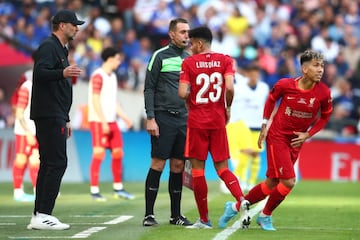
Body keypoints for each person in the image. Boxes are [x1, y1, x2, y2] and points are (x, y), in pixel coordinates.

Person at [219, 49, 333, 231]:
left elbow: (326, 116)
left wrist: (308, 134)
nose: (320, 70)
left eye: (322, 66)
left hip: (296, 141)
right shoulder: (285, 85)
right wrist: (265, 124)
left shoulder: (324, 93)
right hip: (278, 136)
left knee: (272, 182)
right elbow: (271, 100)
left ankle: (235, 206)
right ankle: (265, 215)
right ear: (304, 68)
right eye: (316, 65)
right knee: (288, 181)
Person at [178, 26, 250, 229]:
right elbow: (229, 87)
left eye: (192, 43)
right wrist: (227, 108)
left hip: (197, 122)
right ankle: (240, 198)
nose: (190, 47)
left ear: (199, 43)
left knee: (198, 171)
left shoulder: (189, 63)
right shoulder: (226, 60)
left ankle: (204, 220)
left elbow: (182, 93)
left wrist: (190, 97)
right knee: (223, 168)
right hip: (218, 121)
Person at [27, 9, 84, 230]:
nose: (77, 28)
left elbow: (58, 87)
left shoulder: (60, 49)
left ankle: (38, 214)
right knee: (57, 162)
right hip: (49, 114)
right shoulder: (49, 47)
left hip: (55, 114)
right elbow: (40, 73)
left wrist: (66, 117)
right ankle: (43, 214)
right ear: (62, 25)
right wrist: (63, 73)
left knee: (49, 163)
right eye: (74, 24)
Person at [143, 17, 192, 227]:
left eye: (188, 32)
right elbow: (149, 88)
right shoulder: (159, 56)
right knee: (158, 163)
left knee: (178, 165)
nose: (186, 36)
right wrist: (151, 117)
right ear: (172, 34)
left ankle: (176, 216)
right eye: (182, 32)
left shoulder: (189, 59)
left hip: (184, 119)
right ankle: (148, 215)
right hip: (162, 117)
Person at [88, 47, 134, 201]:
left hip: (112, 121)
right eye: (117, 58)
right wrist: (102, 121)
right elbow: (95, 100)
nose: (119, 62)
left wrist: (125, 117)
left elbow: (113, 102)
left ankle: (118, 188)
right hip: (98, 121)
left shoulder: (112, 77)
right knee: (99, 154)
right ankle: (94, 190)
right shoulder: (97, 76)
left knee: (118, 153)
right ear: (109, 59)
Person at [226, 63, 269, 192]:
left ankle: (251, 182)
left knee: (256, 155)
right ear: (247, 75)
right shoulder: (240, 88)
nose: (254, 77)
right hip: (244, 125)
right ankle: (237, 179)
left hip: (258, 125)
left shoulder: (264, 88)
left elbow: (266, 105)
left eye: (256, 74)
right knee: (245, 153)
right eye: (251, 74)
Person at [12, 69, 40, 202]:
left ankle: (37, 192)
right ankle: (17, 192)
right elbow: (19, 113)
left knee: (36, 161)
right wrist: (28, 132)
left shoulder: (41, 87)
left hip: (35, 130)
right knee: (21, 160)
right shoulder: (26, 87)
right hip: (24, 131)